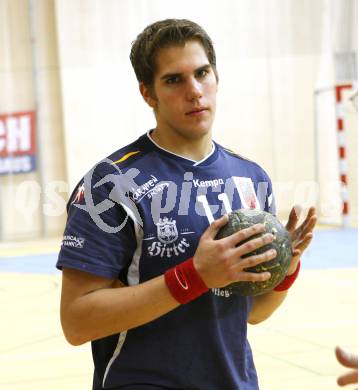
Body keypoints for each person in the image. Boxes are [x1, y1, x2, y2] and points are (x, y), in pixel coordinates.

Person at [57, 18, 317, 390]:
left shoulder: (251, 179)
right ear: (148, 93)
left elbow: (253, 313)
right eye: (174, 79)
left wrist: (285, 267)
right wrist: (194, 277)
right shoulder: (112, 182)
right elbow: (77, 321)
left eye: (202, 73)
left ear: (216, 78)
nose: (195, 91)